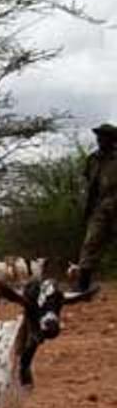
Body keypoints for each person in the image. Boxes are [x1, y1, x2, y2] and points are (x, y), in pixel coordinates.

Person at [77, 122, 117, 293]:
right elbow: (90, 185)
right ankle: (82, 286)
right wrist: (87, 209)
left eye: (104, 136)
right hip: (100, 207)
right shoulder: (92, 159)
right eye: (99, 136)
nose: (100, 139)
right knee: (90, 243)